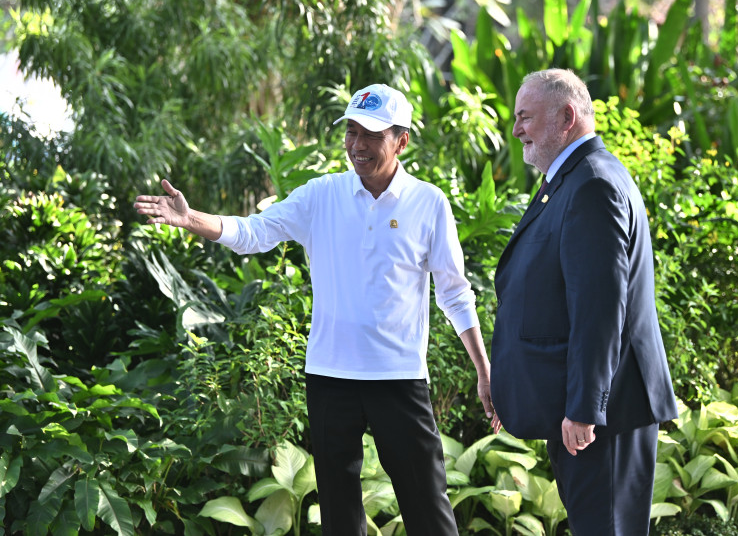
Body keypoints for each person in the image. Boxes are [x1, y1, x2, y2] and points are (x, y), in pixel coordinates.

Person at [134, 83, 500, 535]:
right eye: (351, 132)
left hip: (398, 378)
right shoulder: (320, 195)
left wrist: (484, 370)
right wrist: (191, 219)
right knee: (339, 519)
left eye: (371, 134)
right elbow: (253, 233)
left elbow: (454, 293)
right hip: (330, 377)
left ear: (401, 140)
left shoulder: (428, 204)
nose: (357, 145)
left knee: (429, 511)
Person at [489, 69, 679, 535]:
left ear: (567, 117)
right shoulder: (571, 179)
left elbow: (600, 308)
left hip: (604, 416)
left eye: (525, 117)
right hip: (588, 411)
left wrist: (584, 408)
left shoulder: (593, 184)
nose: (516, 130)